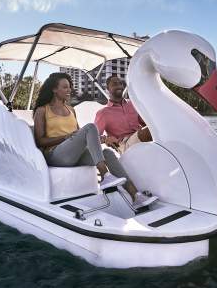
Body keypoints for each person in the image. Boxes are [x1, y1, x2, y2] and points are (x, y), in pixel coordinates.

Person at [33, 73, 157, 208]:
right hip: (55, 155)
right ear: (54, 89)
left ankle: (136, 196)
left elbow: (81, 135)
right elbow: (40, 141)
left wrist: (102, 139)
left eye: (70, 87)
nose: (69, 90)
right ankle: (104, 176)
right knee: (90, 127)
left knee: (108, 153)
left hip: (72, 154)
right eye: (65, 87)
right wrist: (64, 137)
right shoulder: (42, 110)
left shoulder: (71, 110)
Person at [95, 75, 152, 154]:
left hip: (141, 137)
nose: (119, 86)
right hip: (123, 145)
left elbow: (146, 123)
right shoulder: (103, 113)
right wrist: (105, 139)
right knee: (150, 130)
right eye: (115, 84)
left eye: (120, 83)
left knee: (157, 127)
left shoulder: (132, 104)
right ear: (107, 89)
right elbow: (94, 137)